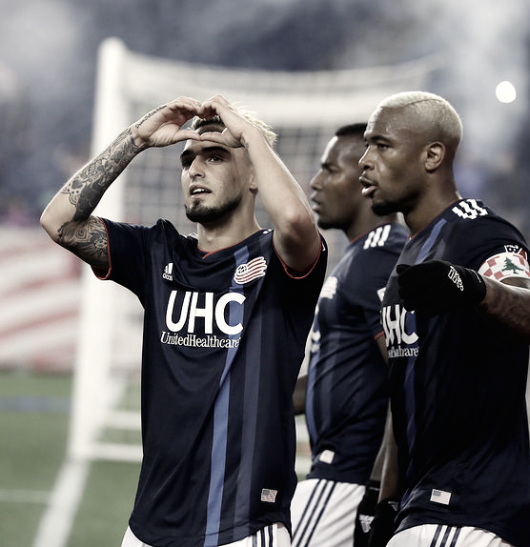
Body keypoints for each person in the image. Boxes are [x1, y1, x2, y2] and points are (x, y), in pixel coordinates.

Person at [40, 95, 328, 547]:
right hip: (148, 527)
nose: (195, 168)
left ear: (254, 174)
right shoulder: (159, 252)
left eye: (215, 156)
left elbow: (293, 219)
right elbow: (59, 221)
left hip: (241, 527)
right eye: (188, 159)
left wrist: (249, 135)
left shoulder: (278, 260)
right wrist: (135, 138)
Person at [358, 91, 530, 547]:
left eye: (382, 145)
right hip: (423, 505)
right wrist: (383, 502)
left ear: (432, 155)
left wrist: (474, 285)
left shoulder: (480, 233)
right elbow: (402, 395)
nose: (364, 161)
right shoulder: (408, 256)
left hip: (468, 508)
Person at [290, 123, 407, 547]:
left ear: (364, 181)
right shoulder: (361, 256)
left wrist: (380, 489)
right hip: (338, 472)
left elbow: (407, 377)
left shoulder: (382, 257)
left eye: (329, 170)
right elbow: (334, 378)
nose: (315, 183)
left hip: (348, 475)